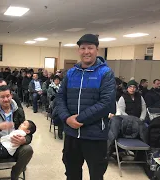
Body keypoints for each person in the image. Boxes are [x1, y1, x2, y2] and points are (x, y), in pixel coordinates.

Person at [56, 34, 116, 180]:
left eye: (90, 48)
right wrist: (66, 118)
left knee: (96, 174)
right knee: (71, 172)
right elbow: (60, 97)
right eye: (83, 48)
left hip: (95, 135)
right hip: (71, 134)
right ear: (78, 50)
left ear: (97, 49)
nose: (86, 51)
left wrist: (79, 119)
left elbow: (106, 103)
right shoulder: (71, 73)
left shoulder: (105, 73)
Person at [0, 85, 33, 180]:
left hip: (14, 145)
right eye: (2, 97)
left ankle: (15, 174)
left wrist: (24, 140)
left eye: (8, 96)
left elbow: (28, 131)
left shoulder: (18, 111)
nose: (6, 99)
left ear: (11, 96)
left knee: (28, 149)